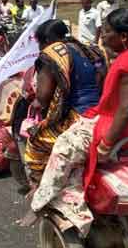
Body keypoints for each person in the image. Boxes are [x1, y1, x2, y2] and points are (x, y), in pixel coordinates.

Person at [30, 8, 128, 235]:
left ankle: (47, 200)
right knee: (76, 135)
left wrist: (106, 144)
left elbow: (127, 108)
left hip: (126, 128)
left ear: (123, 37)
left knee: (64, 145)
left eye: (106, 32)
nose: (102, 36)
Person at [24, 19, 105, 186]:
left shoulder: (50, 54)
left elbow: (44, 97)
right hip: (100, 114)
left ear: (46, 40)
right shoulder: (88, 49)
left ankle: (42, 190)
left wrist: (36, 100)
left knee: (36, 141)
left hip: (77, 117)